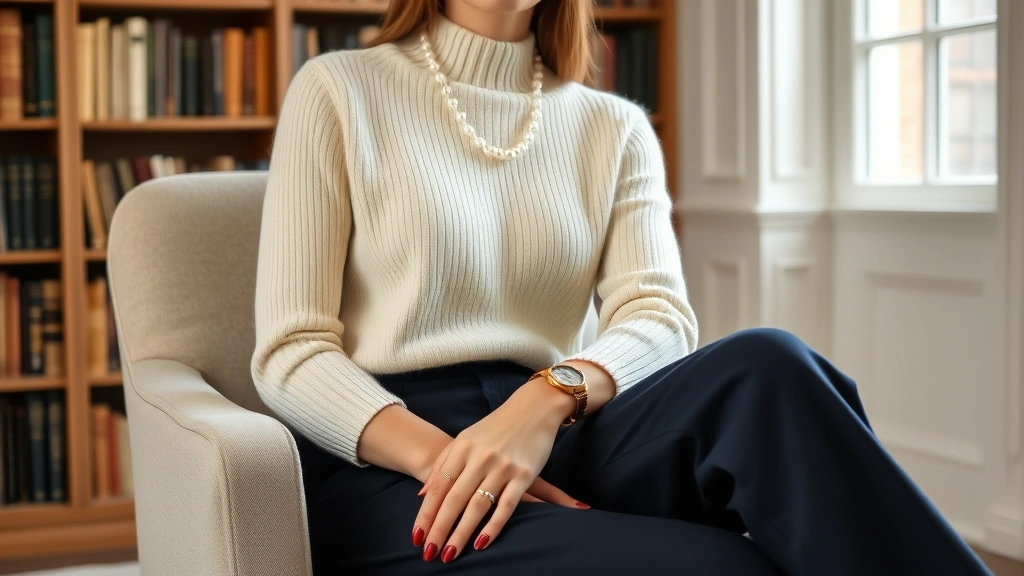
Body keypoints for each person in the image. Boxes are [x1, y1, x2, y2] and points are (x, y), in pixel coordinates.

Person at [249, 0, 994, 574]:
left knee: (773, 365)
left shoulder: (614, 127)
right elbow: (292, 351)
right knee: (744, 564)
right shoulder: (339, 90)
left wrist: (546, 401)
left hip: (555, 422)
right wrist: (453, 459)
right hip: (393, 464)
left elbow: (659, 314)